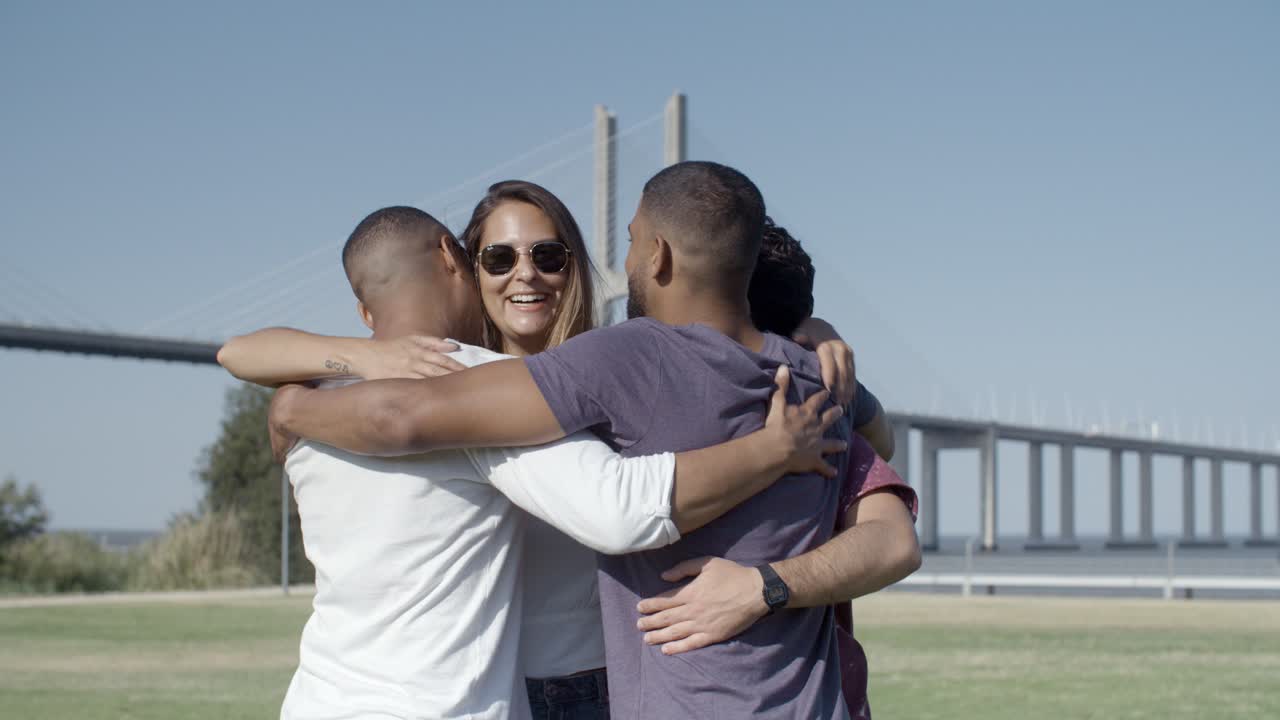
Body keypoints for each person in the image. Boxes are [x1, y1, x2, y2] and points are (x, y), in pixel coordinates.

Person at [265, 161, 906, 718]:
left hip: (599, 684)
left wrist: (811, 337)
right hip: (495, 687)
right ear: (459, 265)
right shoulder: (487, 378)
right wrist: (308, 392)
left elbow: (881, 488)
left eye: (549, 255)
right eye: (498, 257)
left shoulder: (613, 363)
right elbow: (387, 410)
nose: (526, 275)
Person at [639, 216, 921, 719]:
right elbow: (887, 454)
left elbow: (896, 542)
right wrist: (823, 349)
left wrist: (759, 587)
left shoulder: (643, 403)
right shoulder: (821, 415)